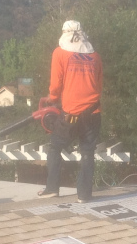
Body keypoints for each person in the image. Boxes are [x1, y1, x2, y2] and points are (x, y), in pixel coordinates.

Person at [38, 20, 103, 202]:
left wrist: (52, 97)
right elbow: (99, 85)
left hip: (70, 115)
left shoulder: (59, 53)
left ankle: (52, 188)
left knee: (55, 147)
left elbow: (56, 85)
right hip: (93, 113)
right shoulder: (95, 56)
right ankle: (83, 195)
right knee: (87, 153)